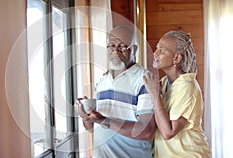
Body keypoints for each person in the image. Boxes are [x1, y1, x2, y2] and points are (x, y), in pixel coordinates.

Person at [76, 25, 157, 158]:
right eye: (112, 46)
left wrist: (103, 120)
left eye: (122, 46)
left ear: (134, 49)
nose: (116, 51)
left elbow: (147, 132)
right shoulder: (103, 80)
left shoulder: (144, 80)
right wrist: (85, 116)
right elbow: (92, 129)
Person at [143, 31, 211, 157]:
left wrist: (155, 96)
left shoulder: (188, 87)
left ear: (176, 58)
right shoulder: (163, 83)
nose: (155, 53)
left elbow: (168, 132)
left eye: (161, 50)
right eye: (157, 48)